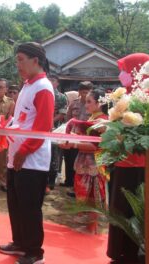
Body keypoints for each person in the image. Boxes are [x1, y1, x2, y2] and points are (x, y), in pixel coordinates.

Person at [0, 42, 54, 264]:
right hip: (17, 157)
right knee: (15, 203)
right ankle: (20, 242)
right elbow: (20, 120)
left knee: (30, 207)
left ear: (36, 60)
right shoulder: (26, 85)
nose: (18, 64)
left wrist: (24, 151)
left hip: (32, 161)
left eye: (21, 59)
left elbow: (42, 127)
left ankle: (34, 252)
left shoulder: (44, 88)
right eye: (17, 60)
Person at [107, 53, 149, 263]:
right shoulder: (127, 96)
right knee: (119, 209)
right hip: (122, 161)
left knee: (135, 210)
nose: (122, 74)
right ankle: (119, 253)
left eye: (125, 69)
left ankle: (134, 254)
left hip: (140, 165)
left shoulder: (145, 97)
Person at [60, 89, 108, 234]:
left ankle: (92, 226)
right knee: (85, 193)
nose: (85, 105)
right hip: (86, 162)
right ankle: (89, 225)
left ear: (99, 103)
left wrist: (73, 143)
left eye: (89, 101)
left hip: (94, 164)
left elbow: (96, 147)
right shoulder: (93, 119)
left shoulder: (102, 122)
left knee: (93, 194)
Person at [62, 81, 93, 193]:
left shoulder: (93, 105)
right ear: (79, 92)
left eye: (88, 92)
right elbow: (68, 119)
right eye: (83, 92)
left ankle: (80, 188)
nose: (85, 94)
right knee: (71, 160)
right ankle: (70, 182)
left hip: (87, 139)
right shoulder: (74, 104)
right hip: (73, 136)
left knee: (83, 163)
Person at [46, 75, 68, 194]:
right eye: (48, 80)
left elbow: (62, 114)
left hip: (56, 130)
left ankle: (51, 180)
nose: (50, 82)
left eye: (52, 80)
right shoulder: (43, 92)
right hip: (42, 130)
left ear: (57, 83)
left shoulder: (62, 97)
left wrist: (50, 122)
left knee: (55, 155)